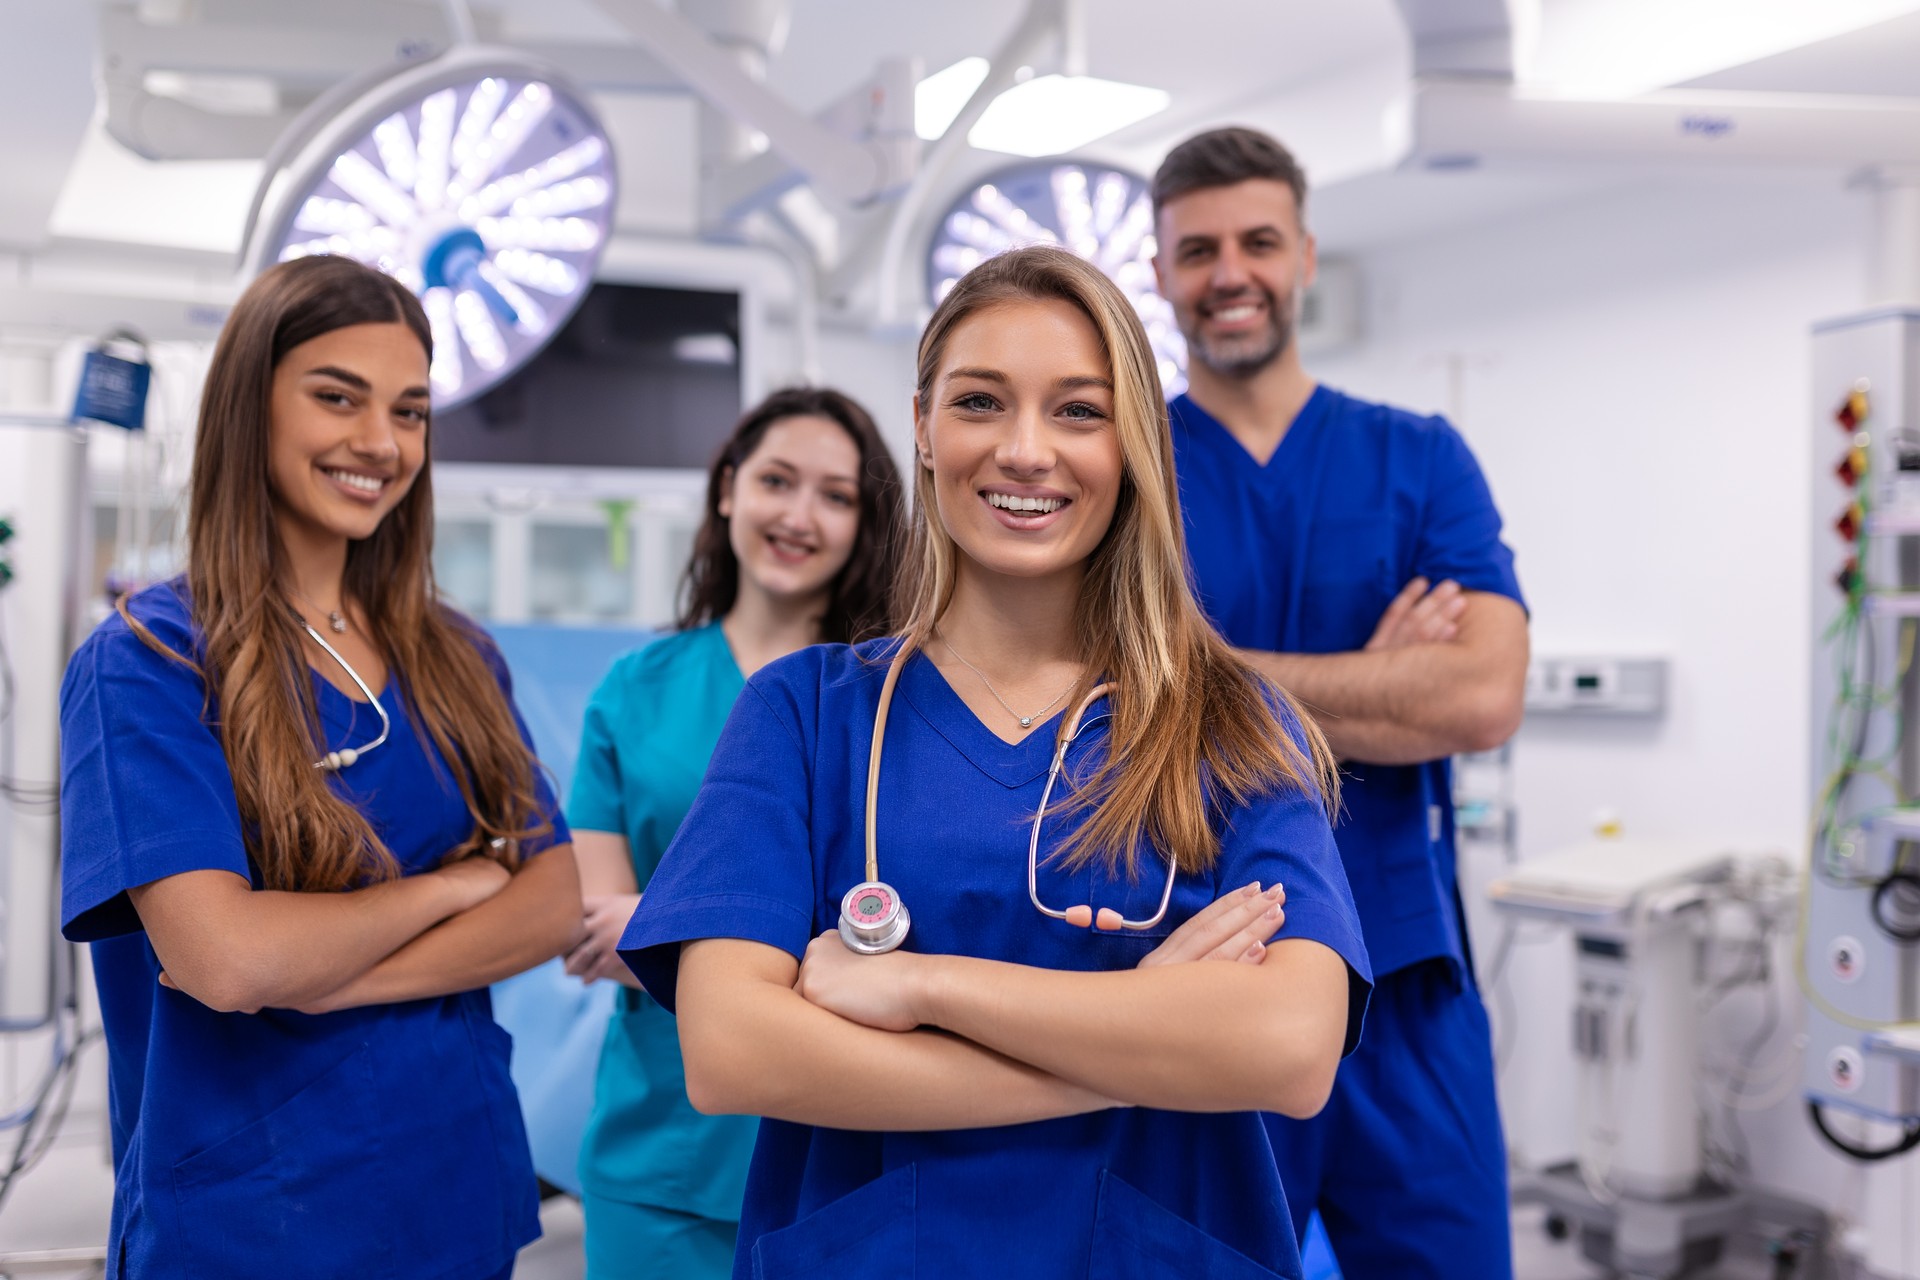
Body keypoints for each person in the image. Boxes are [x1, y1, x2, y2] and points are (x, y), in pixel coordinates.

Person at [616, 244, 1373, 1280]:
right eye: (981, 401)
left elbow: (1290, 1046)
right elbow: (731, 1047)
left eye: (1077, 409)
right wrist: (1142, 1035)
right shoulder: (805, 714)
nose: (1026, 449)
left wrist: (924, 984)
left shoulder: (1230, 726)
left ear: (1133, 444)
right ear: (923, 428)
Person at [58, 255, 582, 1280]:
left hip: (455, 1190)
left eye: (412, 410)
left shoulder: (456, 655)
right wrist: (448, 886)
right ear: (249, 405)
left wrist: (329, 978)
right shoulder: (149, 661)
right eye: (337, 396)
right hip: (253, 1218)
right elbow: (229, 961)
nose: (381, 442)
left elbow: (555, 897)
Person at [1151, 126, 1530, 1280]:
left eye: (1259, 240)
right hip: (1191, 962)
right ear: (1161, 271)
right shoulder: (1126, 469)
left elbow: (1477, 695)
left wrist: (1201, 670)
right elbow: (1103, 701)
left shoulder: (1419, 459)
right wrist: (1373, 679)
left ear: (1306, 253)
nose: (1231, 272)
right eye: (1198, 248)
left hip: (1404, 979)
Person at [560, 386, 907, 1278]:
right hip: (664, 1161)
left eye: (836, 496)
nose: (799, 515)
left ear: (866, 524)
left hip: (849, 1140)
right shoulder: (634, 691)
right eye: (777, 481)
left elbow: (638, 929)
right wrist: (812, 943)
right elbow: (598, 930)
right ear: (727, 490)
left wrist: (672, 924)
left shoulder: (898, 697)